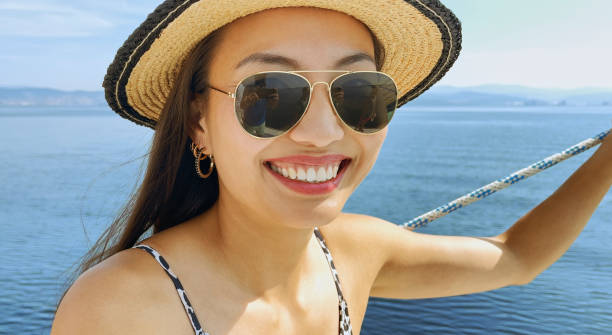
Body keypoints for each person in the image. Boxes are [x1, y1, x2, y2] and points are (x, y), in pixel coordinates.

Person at [51, 1, 612, 334]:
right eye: (268, 94)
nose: (323, 133)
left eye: (360, 92)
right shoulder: (121, 307)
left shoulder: (354, 251)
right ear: (198, 123)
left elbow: (515, 257)